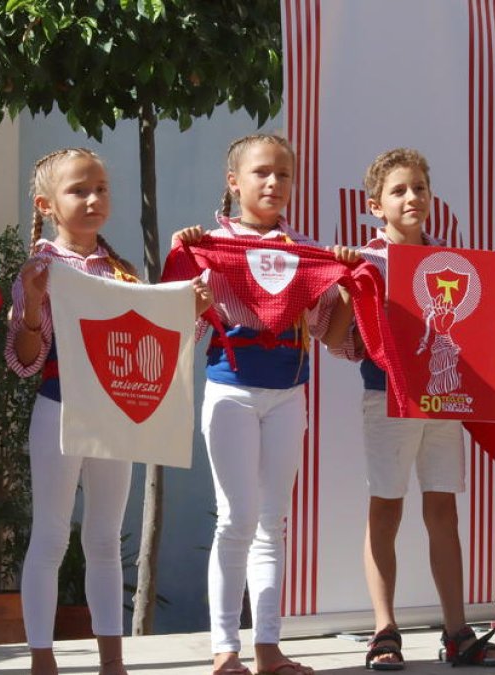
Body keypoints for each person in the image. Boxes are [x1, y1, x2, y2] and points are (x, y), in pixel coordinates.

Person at [4, 147, 211, 675]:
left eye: (101, 188)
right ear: (46, 204)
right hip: (59, 409)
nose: (94, 198)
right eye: (78, 190)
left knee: (103, 537)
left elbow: (153, 345)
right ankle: (41, 659)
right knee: (50, 536)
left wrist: (193, 310)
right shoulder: (41, 268)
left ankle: (112, 661)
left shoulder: (122, 272)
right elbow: (26, 363)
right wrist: (30, 304)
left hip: (115, 416)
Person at [174, 133, 357, 675]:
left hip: (288, 394)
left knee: (271, 522)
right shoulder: (208, 242)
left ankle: (268, 647)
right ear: (234, 182)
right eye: (261, 173)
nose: (273, 182)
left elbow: (332, 336)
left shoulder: (307, 251)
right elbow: (177, 327)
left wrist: (344, 284)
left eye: (283, 174)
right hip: (229, 389)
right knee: (235, 518)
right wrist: (190, 280)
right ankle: (225, 649)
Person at [326, 149, 495, 668]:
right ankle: (385, 630)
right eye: (400, 190)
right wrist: (347, 289)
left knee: (443, 509)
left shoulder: (454, 265)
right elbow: (338, 343)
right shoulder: (366, 260)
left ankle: (457, 631)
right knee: (386, 506)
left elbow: (471, 338)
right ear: (375, 206)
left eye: (421, 188)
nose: (413, 198)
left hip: (444, 399)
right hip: (387, 396)